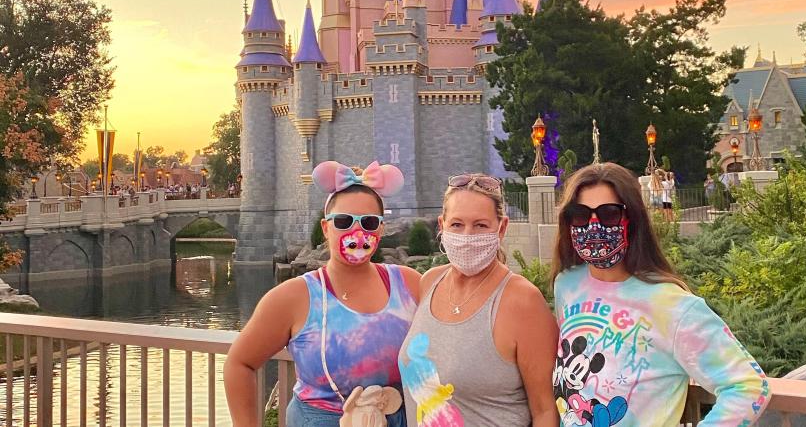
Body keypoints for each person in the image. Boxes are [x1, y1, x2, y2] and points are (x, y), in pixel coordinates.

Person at [552, 162, 769, 426]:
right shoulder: (567, 285)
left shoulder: (672, 306)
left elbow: (748, 385)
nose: (593, 225)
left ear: (631, 220)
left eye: (609, 213)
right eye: (580, 214)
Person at [225, 161, 421, 427]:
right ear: (326, 228)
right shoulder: (293, 297)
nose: (357, 231)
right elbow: (240, 363)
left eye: (369, 222)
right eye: (343, 221)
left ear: (381, 228)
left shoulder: (408, 283)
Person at [398, 174, 558, 427]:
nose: (467, 236)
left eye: (481, 225)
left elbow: (545, 411)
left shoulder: (522, 301)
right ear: (442, 225)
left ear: (502, 228)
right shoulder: (429, 282)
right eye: (457, 225)